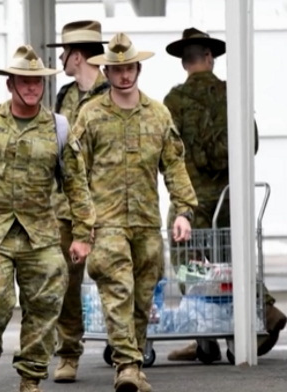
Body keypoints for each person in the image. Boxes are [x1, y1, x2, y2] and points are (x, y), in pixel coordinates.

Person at [0, 45, 96, 392]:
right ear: (10, 83)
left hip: (40, 232)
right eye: (24, 81)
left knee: (44, 306)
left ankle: (30, 378)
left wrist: (83, 233)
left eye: (37, 82)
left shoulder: (58, 128)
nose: (31, 87)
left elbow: (77, 184)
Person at [77, 33, 198, 392]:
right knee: (118, 291)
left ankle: (133, 360)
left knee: (143, 299)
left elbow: (174, 165)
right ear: (108, 72)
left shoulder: (158, 114)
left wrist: (183, 212)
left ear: (138, 68)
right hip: (107, 222)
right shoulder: (91, 115)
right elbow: (74, 173)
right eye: (117, 70)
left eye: (129, 68)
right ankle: (128, 366)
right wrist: (81, 225)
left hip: (146, 222)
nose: (124, 75)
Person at [163, 27, 287, 362]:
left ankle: (206, 330)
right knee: (233, 262)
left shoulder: (173, 102)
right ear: (210, 58)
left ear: (184, 63)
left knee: (189, 263)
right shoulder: (233, 94)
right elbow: (254, 143)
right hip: (230, 195)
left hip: (190, 199)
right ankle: (264, 311)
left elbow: (167, 153)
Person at [45, 20, 110, 383]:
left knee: (115, 279)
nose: (61, 58)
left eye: (65, 52)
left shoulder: (113, 92)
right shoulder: (64, 97)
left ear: (78, 55)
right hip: (67, 207)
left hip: (107, 205)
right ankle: (68, 352)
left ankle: (125, 348)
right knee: (65, 282)